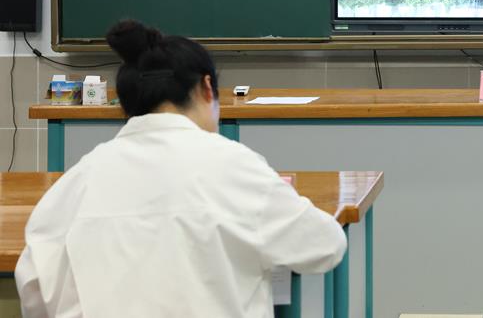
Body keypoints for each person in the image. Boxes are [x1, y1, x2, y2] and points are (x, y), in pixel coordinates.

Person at [15, 20, 347, 318]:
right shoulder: (234, 167)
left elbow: (34, 289)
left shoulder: (79, 180)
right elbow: (325, 246)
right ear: (207, 88)